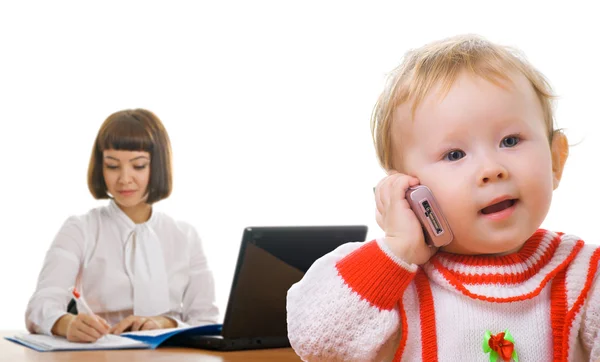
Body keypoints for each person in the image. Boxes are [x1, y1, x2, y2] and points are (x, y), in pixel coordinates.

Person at [286, 35, 600, 361]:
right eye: (454, 154)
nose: (491, 169)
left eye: (510, 140)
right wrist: (398, 249)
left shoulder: (585, 276)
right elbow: (318, 342)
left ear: (556, 161)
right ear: (408, 192)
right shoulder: (391, 278)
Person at [26, 109, 218, 343]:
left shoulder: (185, 236)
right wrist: (66, 323)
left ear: (156, 167)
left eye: (138, 166)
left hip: (171, 355)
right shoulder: (81, 229)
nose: (124, 179)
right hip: (102, 352)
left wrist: (164, 323)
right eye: (112, 166)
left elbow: (207, 320)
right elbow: (40, 304)